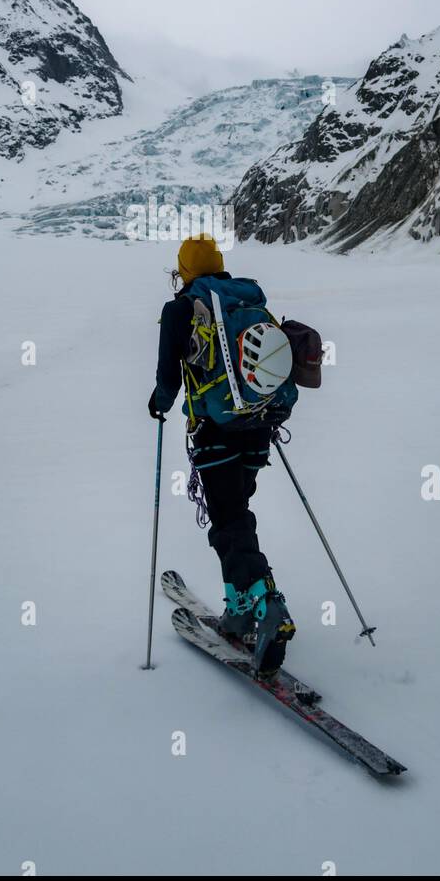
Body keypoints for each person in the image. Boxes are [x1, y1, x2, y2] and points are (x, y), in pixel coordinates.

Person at [148, 233, 296, 677]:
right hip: (260, 425)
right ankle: (238, 608)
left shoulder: (181, 308)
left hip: (215, 429)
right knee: (235, 512)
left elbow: (167, 378)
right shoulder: (246, 298)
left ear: (185, 271)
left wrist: (159, 402)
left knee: (228, 520)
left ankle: (266, 600)